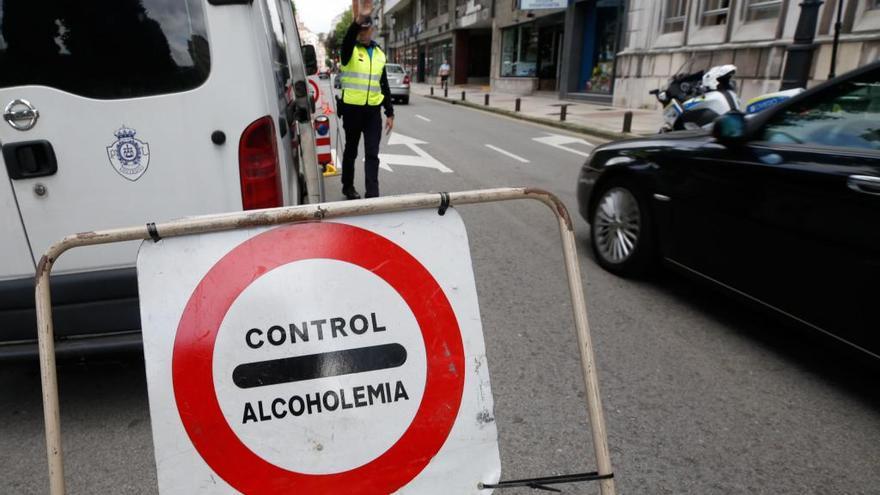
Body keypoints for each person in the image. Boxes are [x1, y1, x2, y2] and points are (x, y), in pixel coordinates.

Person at [337, 2, 394, 199]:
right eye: (360, 29)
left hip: (372, 113)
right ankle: (348, 187)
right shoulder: (349, 50)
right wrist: (357, 21)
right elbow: (346, 40)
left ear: (372, 30)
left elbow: (384, 84)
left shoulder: (379, 54)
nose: (363, 33)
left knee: (372, 153)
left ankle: (372, 193)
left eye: (366, 28)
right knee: (351, 152)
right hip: (352, 110)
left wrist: (390, 112)